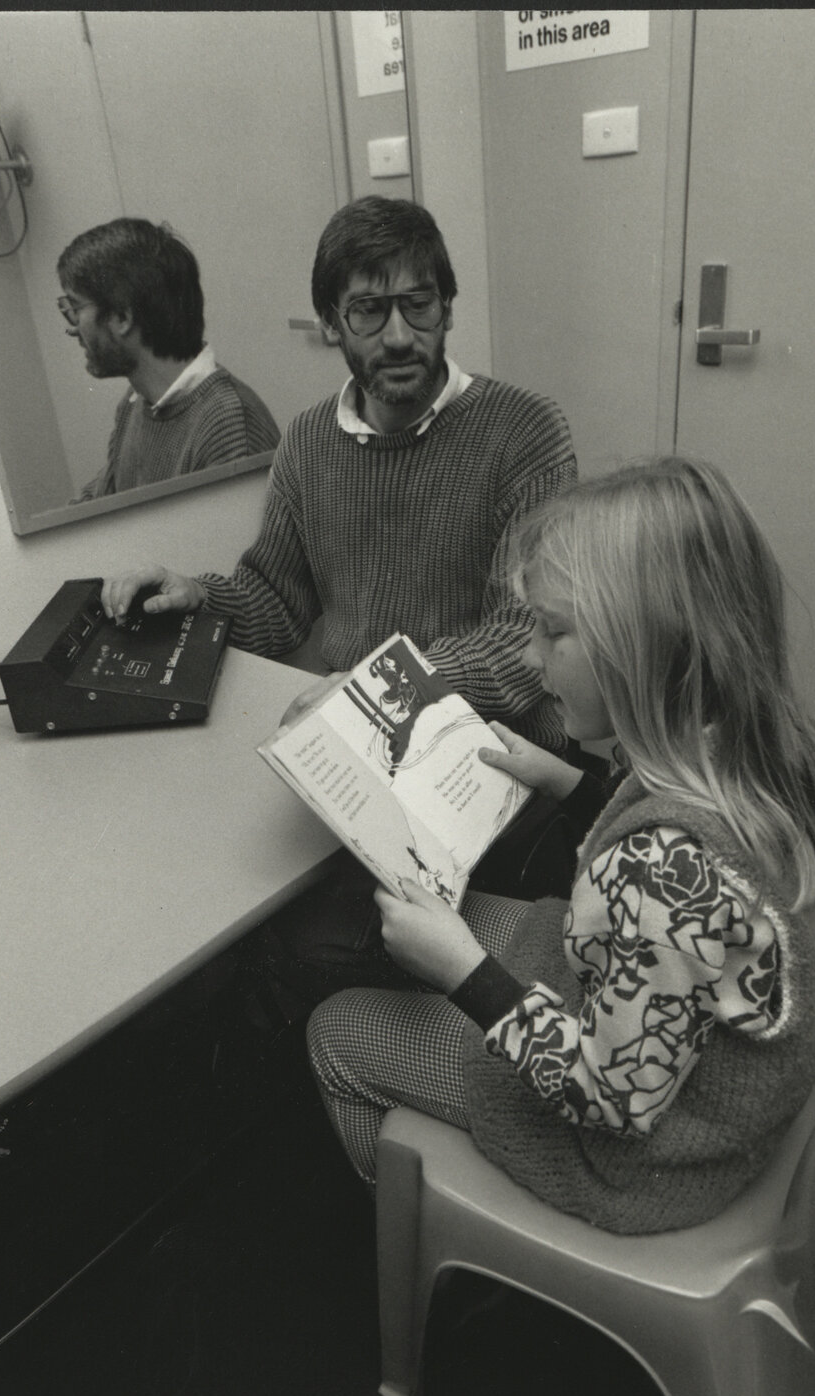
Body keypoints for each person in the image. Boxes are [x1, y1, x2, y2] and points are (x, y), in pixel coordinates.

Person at [306, 456, 815, 1234]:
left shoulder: (668, 868)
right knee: (463, 928)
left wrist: (464, 974)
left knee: (336, 1032)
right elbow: (684, 913)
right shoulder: (752, 745)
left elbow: (613, 1096)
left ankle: (429, 1239)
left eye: (552, 630)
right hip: (695, 1068)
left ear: (646, 647)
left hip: (641, 1158)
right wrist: (569, 782)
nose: (529, 658)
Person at [100, 196, 579, 1011]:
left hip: (488, 749)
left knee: (305, 937)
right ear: (331, 323)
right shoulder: (310, 441)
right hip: (355, 747)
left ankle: (340, 1049)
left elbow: (517, 643)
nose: (398, 335)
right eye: (368, 309)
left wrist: (376, 690)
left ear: (447, 309)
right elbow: (277, 599)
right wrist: (196, 596)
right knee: (216, 870)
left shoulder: (523, 431)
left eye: (417, 304)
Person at [57, 218, 279, 502]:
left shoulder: (231, 427)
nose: (72, 327)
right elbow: (103, 505)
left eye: (75, 308)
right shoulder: (135, 401)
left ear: (122, 318)